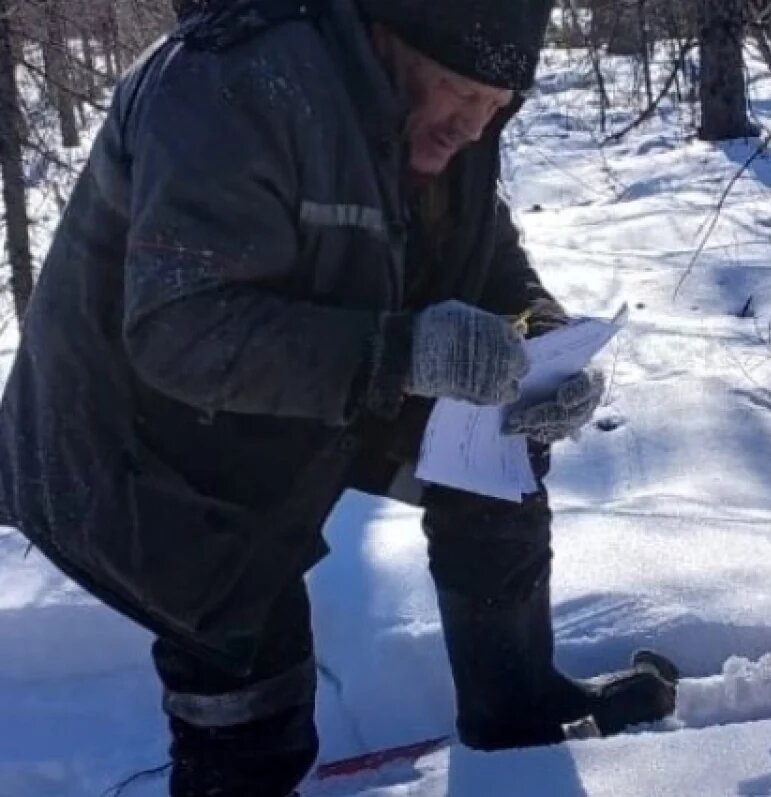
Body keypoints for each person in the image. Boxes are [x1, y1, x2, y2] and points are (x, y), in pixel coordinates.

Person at [0, 1, 677, 794]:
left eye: (498, 109)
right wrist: (401, 351)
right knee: (252, 682)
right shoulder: (232, 80)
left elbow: (482, 247)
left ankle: (515, 719)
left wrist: (542, 341)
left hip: (289, 390)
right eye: (462, 94)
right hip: (131, 447)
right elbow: (180, 331)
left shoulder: (433, 108)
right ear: (397, 34)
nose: (473, 125)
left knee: (496, 441)